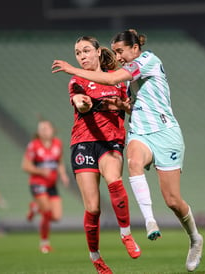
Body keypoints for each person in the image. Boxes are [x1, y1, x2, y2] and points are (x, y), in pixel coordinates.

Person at [52, 29, 203, 272]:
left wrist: (71, 68)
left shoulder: (142, 63)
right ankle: (145, 225)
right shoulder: (88, 80)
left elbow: (112, 81)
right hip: (118, 137)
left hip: (164, 133)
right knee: (113, 185)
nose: (118, 56)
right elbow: (88, 102)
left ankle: (195, 238)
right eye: (77, 53)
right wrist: (96, 104)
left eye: (121, 51)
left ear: (134, 49)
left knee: (173, 200)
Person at [58, 36, 141, 274]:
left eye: (85, 51)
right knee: (93, 208)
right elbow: (80, 103)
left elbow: (131, 107)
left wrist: (125, 107)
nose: (82, 56)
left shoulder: (118, 80)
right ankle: (96, 257)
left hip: (111, 142)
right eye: (77, 53)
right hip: (83, 144)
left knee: (114, 180)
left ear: (97, 52)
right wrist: (82, 102)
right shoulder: (76, 81)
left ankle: (126, 234)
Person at [22, 120, 70, 253]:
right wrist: (41, 171)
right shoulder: (34, 146)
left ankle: (35, 207)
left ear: (52, 129)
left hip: (52, 184)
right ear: (38, 132)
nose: (44, 130)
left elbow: (59, 162)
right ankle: (44, 243)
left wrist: (63, 175)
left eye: (46, 127)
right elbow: (26, 166)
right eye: (41, 128)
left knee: (56, 216)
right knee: (47, 212)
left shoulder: (57, 144)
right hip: (38, 183)